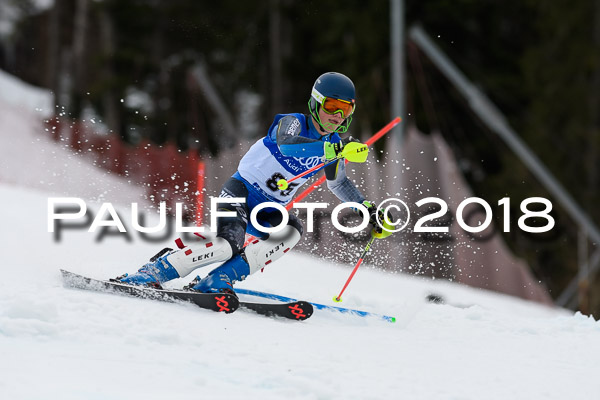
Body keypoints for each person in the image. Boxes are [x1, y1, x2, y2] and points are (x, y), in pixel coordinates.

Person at [116, 71, 385, 294]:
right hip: (241, 192)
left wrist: (367, 209)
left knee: (292, 231)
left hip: (271, 210)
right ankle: (155, 271)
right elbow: (288, 146)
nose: (337, 116)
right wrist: (333, 151)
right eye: (332, 106)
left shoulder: (334, 145)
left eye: (345, 108)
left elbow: (338, 183)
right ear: (316, 103)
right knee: (227, 245)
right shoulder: (293, 123)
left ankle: (218, 280)